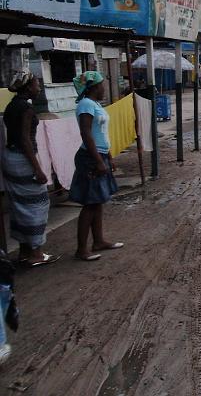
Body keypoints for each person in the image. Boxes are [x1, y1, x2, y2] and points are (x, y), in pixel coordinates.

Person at [1, 71, 59, 267]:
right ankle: (37, 252)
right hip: (23, 159)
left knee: (19, 205)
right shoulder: (26, 108)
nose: (39, 88)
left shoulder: (11, 106)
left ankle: (24, 252)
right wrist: (38, 169)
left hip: (10, 157)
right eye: (36, 85)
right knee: (37, 204)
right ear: (27, 88)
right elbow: (25, 140)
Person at [69, 71, 124, 262]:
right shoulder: (85, 105)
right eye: (102, 84)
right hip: (90, 158)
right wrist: (99, 161)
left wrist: (108, 156)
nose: (104, 88)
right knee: (90, 203)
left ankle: (98, 241)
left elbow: (99, 133)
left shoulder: (95, 104)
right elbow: (86, 133)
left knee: (98, 200)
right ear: (93, 87)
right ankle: (81, 249)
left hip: (100, 155)